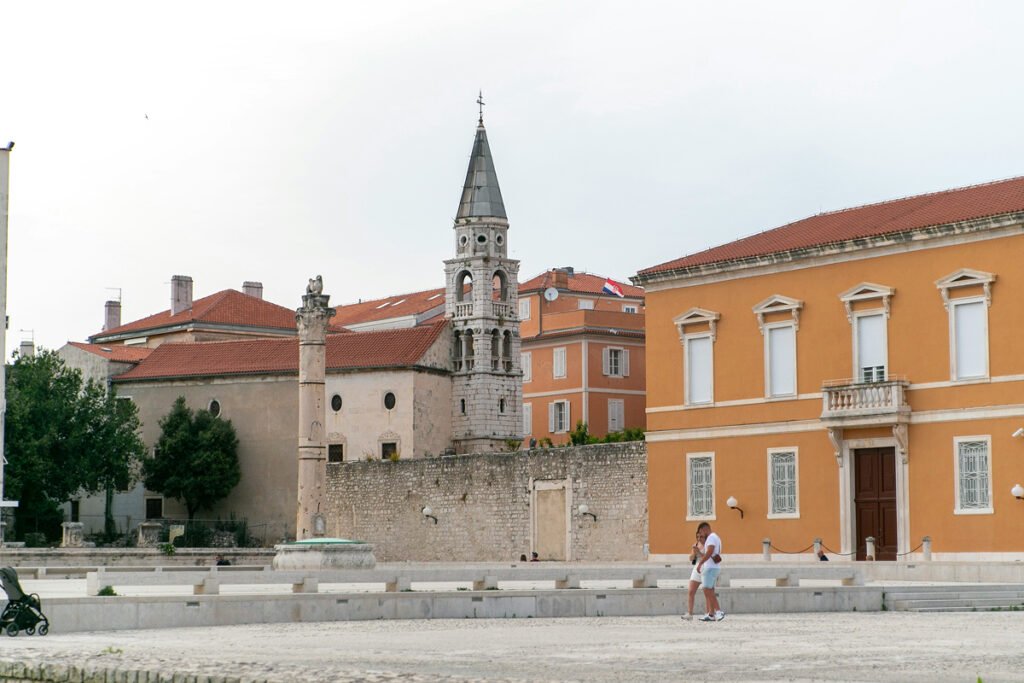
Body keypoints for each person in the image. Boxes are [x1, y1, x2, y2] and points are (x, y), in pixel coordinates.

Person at [695, 521, 725, 621]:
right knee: (710, 590)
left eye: (701, 532)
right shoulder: (715, 537)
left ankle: (718, 611)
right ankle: (711, 614)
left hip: (710, 568)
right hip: (714, 567)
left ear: (705, 529)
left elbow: (709, 552)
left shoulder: (711, 537)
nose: (701, 534)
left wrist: (700, 563)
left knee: (706, 589)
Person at [682, 527, 707, 621]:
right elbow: (690, 558)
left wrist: (700, 553)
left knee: (707, 593)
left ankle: (708, 613)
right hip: (696, 568)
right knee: (691, 591)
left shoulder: (709, 545)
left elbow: (709, 557)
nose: (699, 539)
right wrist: (694, 553)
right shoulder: (696, 545)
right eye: (697, 537)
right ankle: (690, 613)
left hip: (706, 568)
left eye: (701, 537)